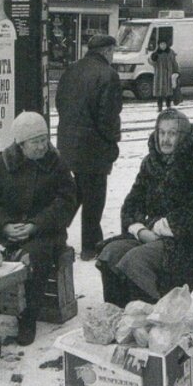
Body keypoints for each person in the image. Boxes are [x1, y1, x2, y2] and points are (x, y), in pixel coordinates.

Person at [96, 108, 193, 307]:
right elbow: (131, 203)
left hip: (190, 242)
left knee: (134, 261)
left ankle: (152, 317)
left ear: (184, 136)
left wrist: (160, 228)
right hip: (152, 237)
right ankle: (120, 314)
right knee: (110, 254)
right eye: (161, 133)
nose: (165, 139)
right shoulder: (151, 162)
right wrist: (139, 230)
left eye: (172, 133)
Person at [0, 111, 77, 346]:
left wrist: (36, 225)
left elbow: (67, 201)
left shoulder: (57, 164)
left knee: (36, 257)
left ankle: (27, 317)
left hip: (44, 231)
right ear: (21, 144)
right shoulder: (1, 165)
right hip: (4, 228)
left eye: (44, 139)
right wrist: (4, 226)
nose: (42, 146)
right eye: (36, 141)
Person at [56, 33, 123, 260]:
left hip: (68, 143)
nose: (113, 55)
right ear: (106, 51)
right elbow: (108, 117)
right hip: (94, 148)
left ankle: (54, 229)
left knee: (77, 191)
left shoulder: (71, 70)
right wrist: (112, 142)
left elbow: (60, 103)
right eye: (112, 51)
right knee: (94, 197)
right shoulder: (108, 75)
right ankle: (90, 246)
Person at [150, 39, 180, 111]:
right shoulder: (156, 53)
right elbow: (152, 62)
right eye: (161, 44)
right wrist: (153, 58)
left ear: (167, 45)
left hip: (168, 75)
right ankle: (159, 107)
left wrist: (177, 72)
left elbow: (174, 63)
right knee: (159, 93)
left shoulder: (170, 52)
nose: (163, 46)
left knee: (168, 92)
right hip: (159, 75)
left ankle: (168, 106)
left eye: (164, 44)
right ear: (159, 45)